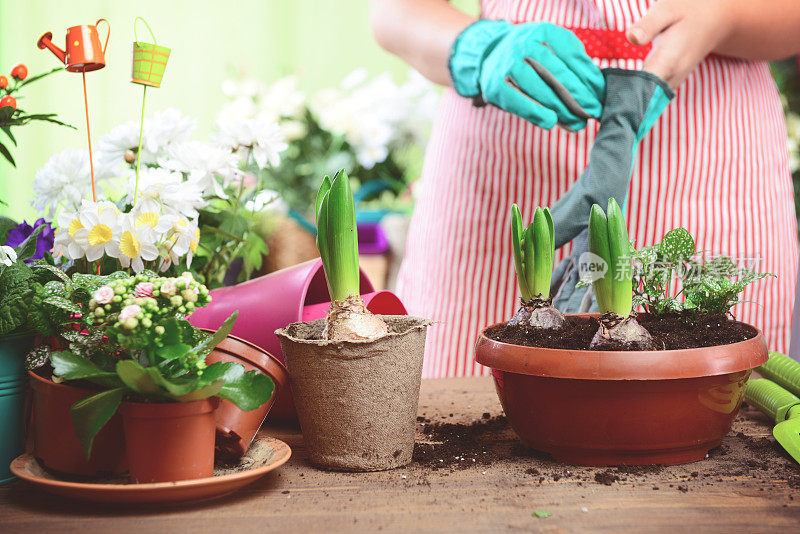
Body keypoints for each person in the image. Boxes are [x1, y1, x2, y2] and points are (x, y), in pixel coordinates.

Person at [371, 0, 800, 377]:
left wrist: (724, 14)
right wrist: (477, 48)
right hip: (510, 131)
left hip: (707, 149)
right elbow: (396, 11)